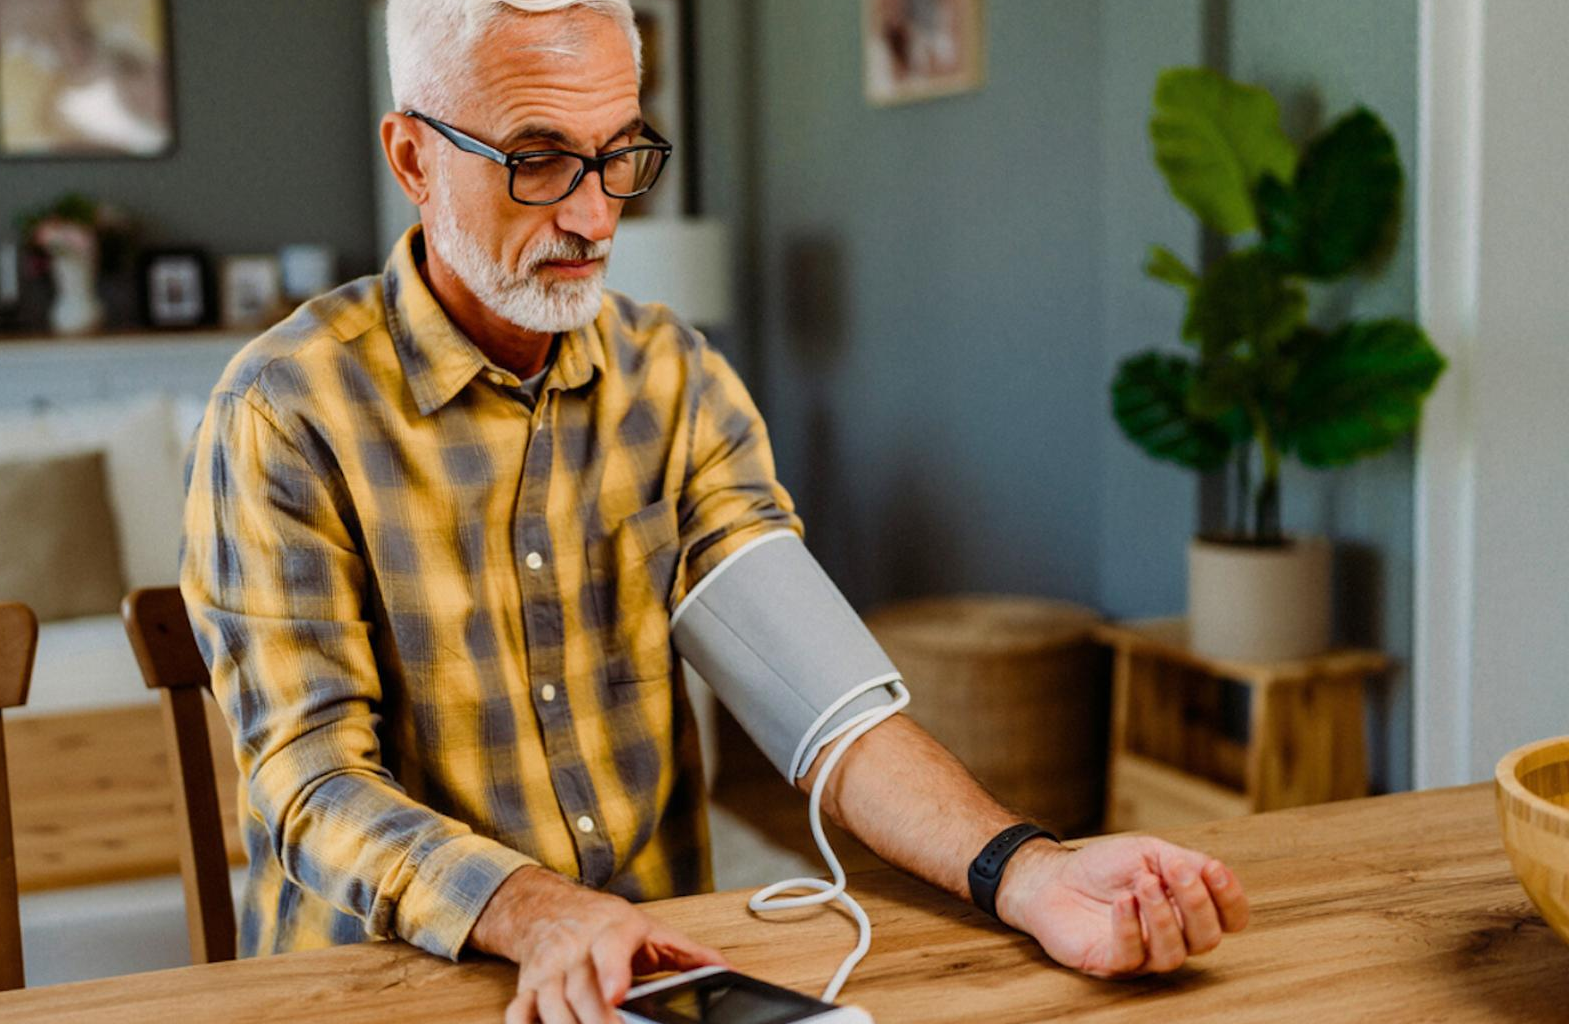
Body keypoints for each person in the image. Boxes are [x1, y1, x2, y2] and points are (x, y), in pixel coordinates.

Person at [179, 2, 1250, 1022]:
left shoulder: (677, 381)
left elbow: (823, 699)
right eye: (540, 158)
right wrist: (538, 909)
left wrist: (1028, 870)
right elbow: (311, 783)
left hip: (656, 979)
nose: (596, 215)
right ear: (413, 156)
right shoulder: (284, 411)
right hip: (390, 983)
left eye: (620, 154)